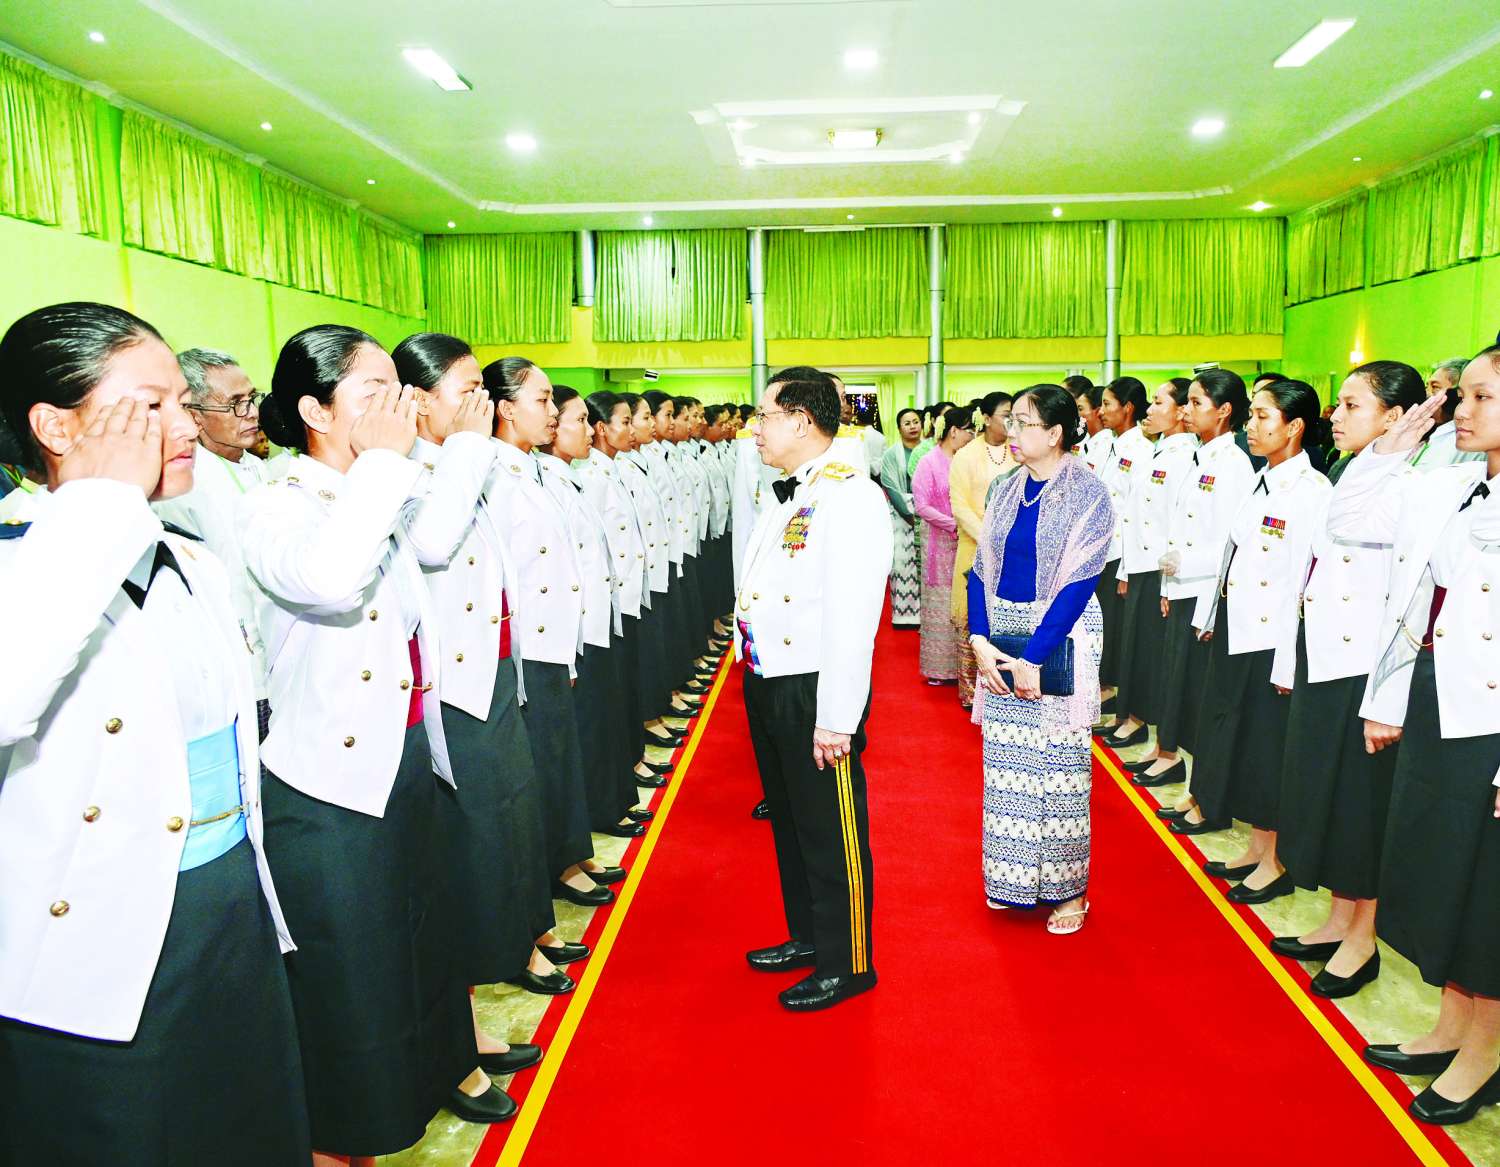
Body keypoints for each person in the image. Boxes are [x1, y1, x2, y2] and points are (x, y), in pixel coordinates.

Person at [0, 303, 310, 1165]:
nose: (185, 426)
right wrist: (98, 498)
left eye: (182, 402)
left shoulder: (189, 556)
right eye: (150, 405)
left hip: (224, 902)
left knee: (242, 1123)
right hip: (99, 931)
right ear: (56, 426)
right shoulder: (24, 556)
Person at [243, 325, 510, 1159]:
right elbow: (328, 580)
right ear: (315, 410)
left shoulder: (377, 483)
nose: (397, 408)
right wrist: (391, 464)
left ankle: (441, 1067)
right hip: (328, 777)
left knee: (424, 929)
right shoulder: (280, 503)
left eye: (400, 391)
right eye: (373, 392)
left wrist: (441, 451)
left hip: (405, 752)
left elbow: (434, 541)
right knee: (354, 963)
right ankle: (353, 1128)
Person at [1326, 356, 1500, 1124]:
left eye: (1482, 396)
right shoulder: (1453, 483)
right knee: (1441, 875)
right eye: (1462, 395)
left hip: (1491, 721)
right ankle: (1452, 1025)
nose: (1461, 409)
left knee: (1485, 888)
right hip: (1438, 700)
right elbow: (1349, 518)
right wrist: (1391, 449)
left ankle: (1484, 1051)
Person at [392, 332, 568, 1039]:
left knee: (515, 811)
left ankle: (526, 933)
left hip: (496, 667)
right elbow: (434, 543)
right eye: (466, 391)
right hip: (451, 682)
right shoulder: (408, 470)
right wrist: (468, 446)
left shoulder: (463, 459)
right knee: (481, 828)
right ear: (418, 399)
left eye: (482, 392)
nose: (480, 405)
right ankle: (497, 958)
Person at [737, 372, 891, 1011]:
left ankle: (848, 961)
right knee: (793, 823)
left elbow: (854, 619)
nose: (755, 428)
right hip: (769, 676)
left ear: (801, 421)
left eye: (765, 415)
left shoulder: (850, 495)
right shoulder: (792, 490)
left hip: (814, 687)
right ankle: (809, 936)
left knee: (831, 831)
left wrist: (836, 718)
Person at [1272, 361, 1426, 999]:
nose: (1335, 416)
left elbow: (1400, 584)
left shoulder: (1412, 482)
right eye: (1338, 403)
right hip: (1325, 654)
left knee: (1361, 804)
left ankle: (1363, 938)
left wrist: (1391, 455)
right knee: (1327, 795)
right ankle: (1339, 917)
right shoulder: (1353, 467)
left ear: (1395, 417)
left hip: (1363, 662)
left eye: (1352, 405)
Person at [1169, 381, 1330, 912]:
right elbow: (1231, 559)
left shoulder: (1311, 491)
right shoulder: (1262, 479)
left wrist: (1287, 662)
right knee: (1241, 742)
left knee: (1268, 751)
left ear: (1294, 426)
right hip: (1238, 630)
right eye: (1253, 416)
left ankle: (1275, 861)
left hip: (1271, 640)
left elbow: (1301, 585)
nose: (1252, 426)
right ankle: (1258, 847)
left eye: (1264, 417)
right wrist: (1209, 617)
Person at [967, 385, 1113, 934]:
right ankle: (1012, 880)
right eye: (1011, 420)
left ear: (1054, 434)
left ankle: (1069, 893)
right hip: (1000, 634)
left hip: (1060, 634)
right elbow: (981, 568)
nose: (1011, 430)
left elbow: (1078, 583)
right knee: (1008, 770)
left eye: (1023, 422)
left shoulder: (1088, 493)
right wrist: (980, 640)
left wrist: (1034, 656)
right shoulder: (1006, 487)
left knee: (1059, 771)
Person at [483, 357, 623, 914]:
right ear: (505, 408)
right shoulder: (493, 474)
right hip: (528, 645)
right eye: (541, 401)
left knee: (561, 755)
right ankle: (558, 864)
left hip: (556, 638)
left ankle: (572, 851)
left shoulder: (533, 468)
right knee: (544, 760)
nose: (551, 411)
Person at [153, 348, 274, 735]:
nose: (251, 412)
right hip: (241, 672)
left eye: (251, 398)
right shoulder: (182, 486)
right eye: (235, 404)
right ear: (194, 415)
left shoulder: (263, 469)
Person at [542, 386, 644, 842]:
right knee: (590, 725)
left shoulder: (571, 476)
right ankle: (600, 811)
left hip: (600, 616)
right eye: (579, 421)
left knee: (604, 717)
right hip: (577, 628)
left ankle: (610, 804)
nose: (589, 430)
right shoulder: (549, 481)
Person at [1152, 370, 1255, 813]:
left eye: (1197, 403)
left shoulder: (1232, 464)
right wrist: (1167, 584)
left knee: (1199, 697)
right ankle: (1190, 780)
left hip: (1204, 594)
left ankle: (1201, 790)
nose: (1187, 411)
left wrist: (1201, 598)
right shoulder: (1200, 455)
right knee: (1180, 687)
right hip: (1183, 589)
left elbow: (1229, 545)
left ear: (1224, 410)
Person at [1102, 378, 1196, 752]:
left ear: (1180, 411)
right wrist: (1126, 568)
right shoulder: (1160, 450)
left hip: (1160, 567)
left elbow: (1176, 522)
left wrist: (1163, 582)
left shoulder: (1185, 456)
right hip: (1139, 563)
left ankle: (1139, 720)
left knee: (1146, 649)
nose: (1150, 409)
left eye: (1159, 402)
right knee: (1134, 646)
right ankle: (1130, 716)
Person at [950, 391, 1017, 708]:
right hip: (975, 546)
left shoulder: (1018, 451)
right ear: (987, 418)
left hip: (1012, 549)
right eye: (1006, 415)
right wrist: (989, 539)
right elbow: (959, 506)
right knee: (972, 614)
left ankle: (1003, 687)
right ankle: (970, 692)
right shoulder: (965, 455)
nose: (1011, 422)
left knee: (1004, 615)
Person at [1093, 377, 1153, 698]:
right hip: (1100, 550)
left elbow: (1136, 513)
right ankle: (1101, 685)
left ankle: (1109, 689)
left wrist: (1127, 568)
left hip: (1120, 552)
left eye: (1107, 404)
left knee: (1113, 626)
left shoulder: (1142, 450)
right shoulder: (1108, 444)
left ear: (1127, 407)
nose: (1101, 411)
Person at [913, 408, 974, 684]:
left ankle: (964, 669)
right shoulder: (929, 462)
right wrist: (953, 524)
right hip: (939, 541)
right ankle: (939, 669)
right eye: (969, 430)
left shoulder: (965, 461)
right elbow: (922, 506)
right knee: (940, 601)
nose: (972, 435)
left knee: (963, 601)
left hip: (966, 541)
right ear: (954, 431)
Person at [879, 406, 924, 628]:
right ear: (899, 428)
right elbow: (889, 485)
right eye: (907, 423)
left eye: (915, 421)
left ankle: (925, 615)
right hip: (899, 515)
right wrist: (908, 515)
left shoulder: (929, 450)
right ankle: (903, 616)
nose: (912, 426)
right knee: (902, 564)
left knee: (925, 566)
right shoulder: (890, 454)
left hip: (927, 514)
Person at [1415, 357, 1484, 468]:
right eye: (1427, 387)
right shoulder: (1423, 432)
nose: (1426, 394)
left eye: (1435, 387)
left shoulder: (1469, 443)